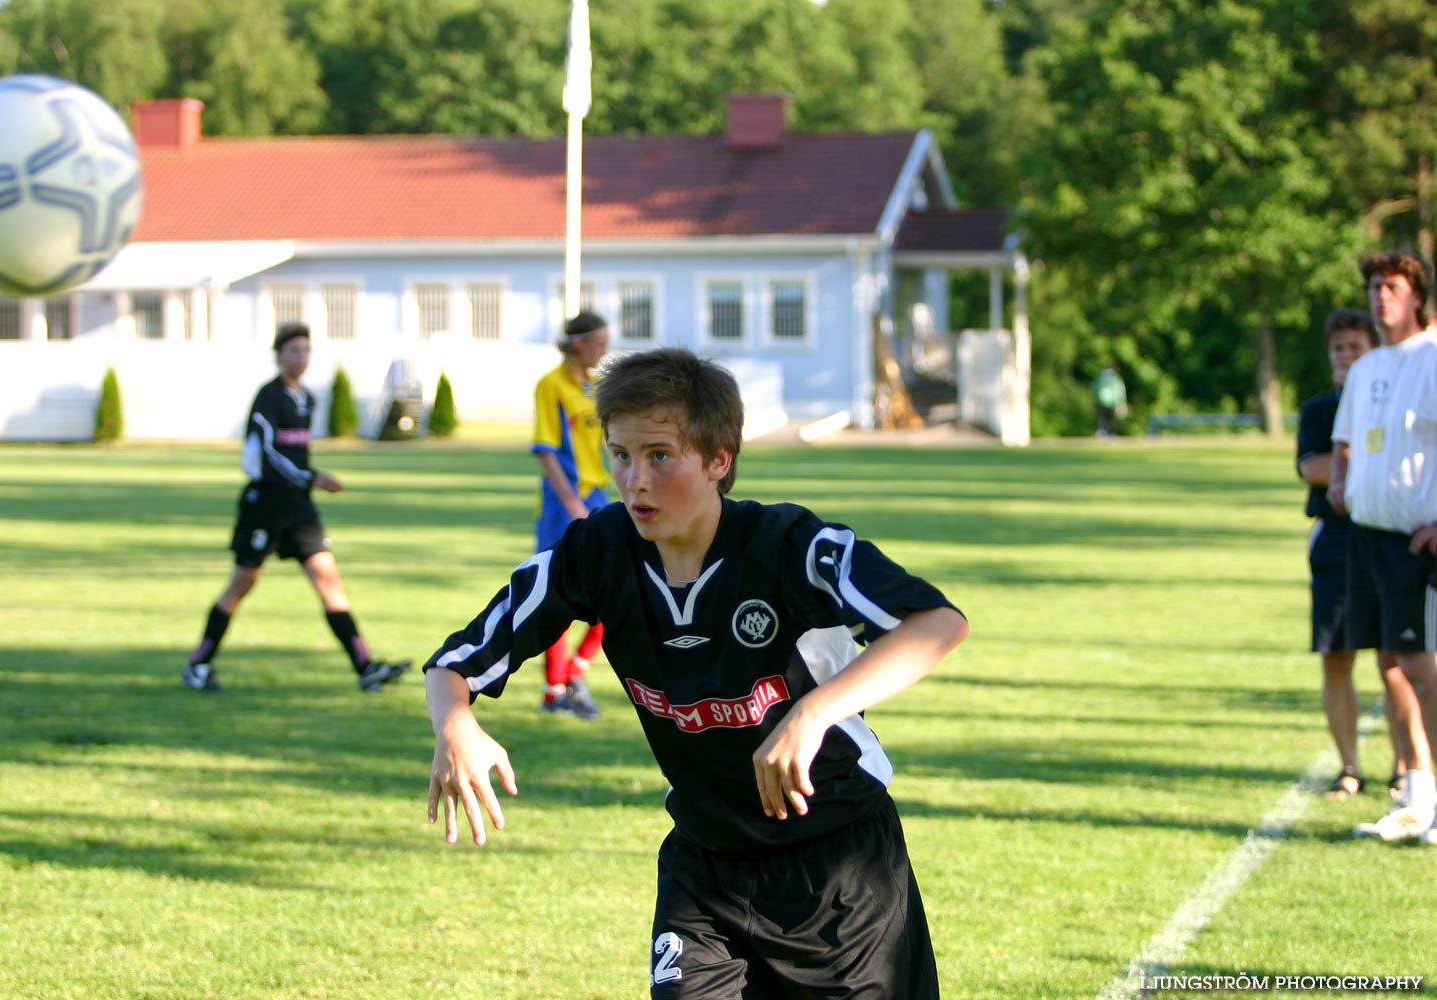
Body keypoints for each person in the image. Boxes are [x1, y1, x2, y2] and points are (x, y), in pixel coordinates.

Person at [424, 347, 969, 998]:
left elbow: (936, 622)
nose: (634, 481)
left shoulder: (787, 548)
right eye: (620, 455)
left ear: (720, 459)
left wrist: (813, 712)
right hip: (705, 871)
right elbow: (459, 660)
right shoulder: (596, 553)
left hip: (840, 870)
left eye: (659, 456)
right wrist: (455, 725)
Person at [182, 322, 409, 694]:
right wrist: (310, 477)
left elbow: (295, 453)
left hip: (300, 508)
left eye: (306, 350)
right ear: (279, 355)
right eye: (293, 351)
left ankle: (365, 667)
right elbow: (268, 454)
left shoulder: (306, 398)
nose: (301, 357)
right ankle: (198, 664)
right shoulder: (268, 398)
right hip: (266, 504)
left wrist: (306, 483)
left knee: (328, 580)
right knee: (242, 583)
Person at [1329, 249, 1437, 842]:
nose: (1380, 297)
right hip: (1366, 539)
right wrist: (1343, 480)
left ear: (1416, 295)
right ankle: (1416, 795)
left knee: (1423, 668)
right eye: (1374, 286)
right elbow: (1345, 438)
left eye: (1392, 286)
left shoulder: (1433, 358)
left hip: (1414, 541)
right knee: (1390, 665)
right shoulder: (1369, 367)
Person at [1297, 308, 1411, 798]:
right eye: (1338, 348)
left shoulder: (1395, 401)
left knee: (1398, 658)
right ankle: (1349, 767)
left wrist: (1349, 463)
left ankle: (1407, 764)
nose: (1346, 357)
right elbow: (1313, 467)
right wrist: (1360, 462)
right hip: (1336, 541)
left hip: (1388, 535)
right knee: (1336, 655)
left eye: (1354, 347)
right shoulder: (1321, 409)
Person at [530, 310, 611, 719]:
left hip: (598, 497)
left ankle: (576, 671)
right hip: (566, 505)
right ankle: (553, 691)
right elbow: (546, 450)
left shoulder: (594, 387)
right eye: (599, 343)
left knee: (615, 587)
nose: (605, 351)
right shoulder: (551, 386)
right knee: (558, 596)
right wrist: (571, 503)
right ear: (577, 344)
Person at [1091, 366, 1126, 437]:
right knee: (1107, 418)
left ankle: (1106, 432)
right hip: (1109, 403)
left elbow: (1094, 390)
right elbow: (1120, 392)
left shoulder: (1100, 379)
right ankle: (1107, 433)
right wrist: (1121, 403)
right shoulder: (1115, 380)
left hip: (1107, 403)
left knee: (1105, 418)